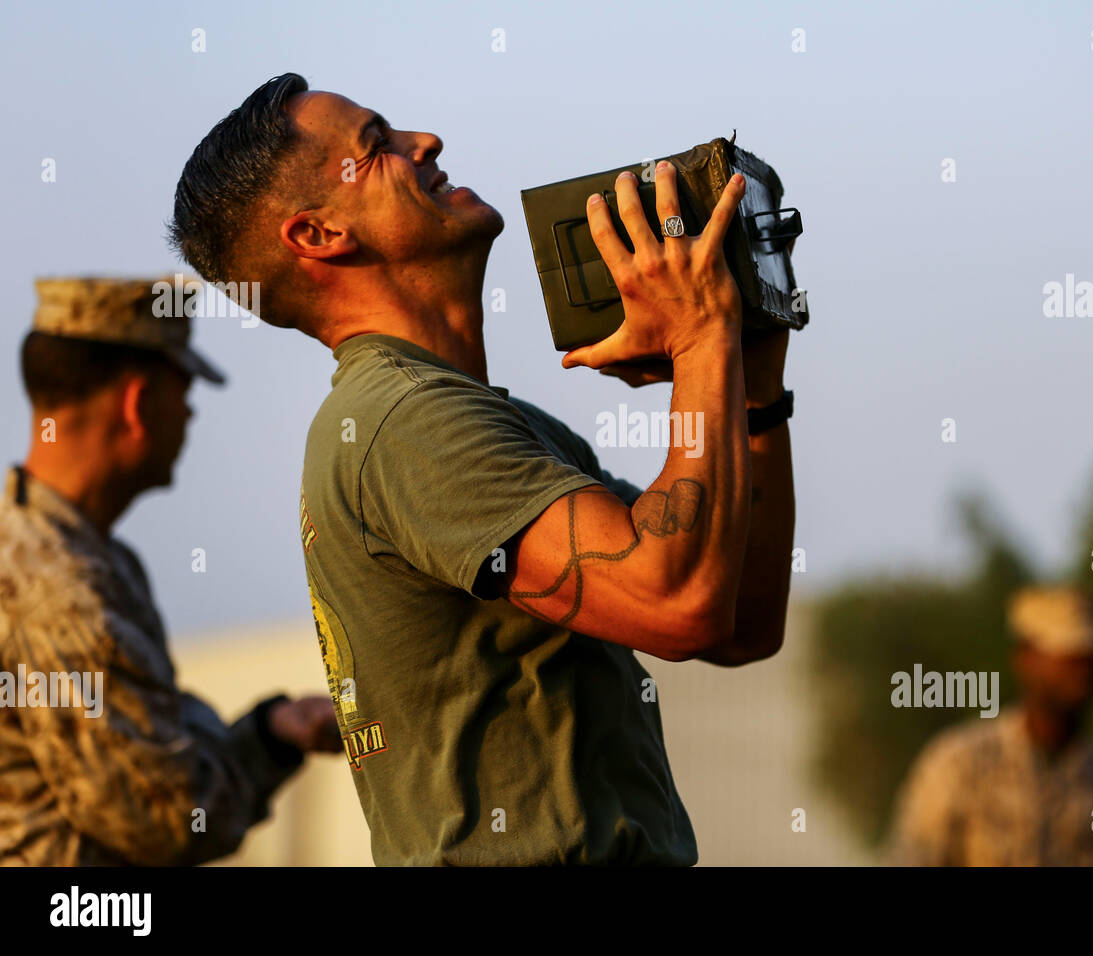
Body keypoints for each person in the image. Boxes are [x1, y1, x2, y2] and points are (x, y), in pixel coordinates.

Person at [168, 74, 796, 865]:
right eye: (378, 145)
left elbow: (742, 619)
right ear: (319, 236)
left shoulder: (489, 425)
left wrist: (752, 376)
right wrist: (702, 340)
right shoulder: (406, 425)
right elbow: (681, 604)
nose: (423, 142)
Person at [0, 277, 342, 866]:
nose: (188, 412)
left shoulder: (65, 550)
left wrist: (274, 725)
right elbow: (166, 814)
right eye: (183, 389)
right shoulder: (61, 588)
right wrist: (267, 743)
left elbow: (149, 732)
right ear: (137, 403)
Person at [889, 585, 1093, 866]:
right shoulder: (959, 767)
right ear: (1025, 658)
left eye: (1092, 654)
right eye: (1068, 651)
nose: (1084, 666)